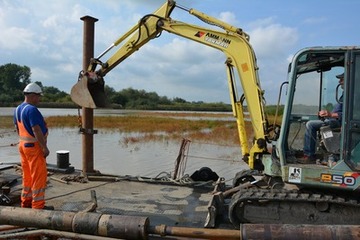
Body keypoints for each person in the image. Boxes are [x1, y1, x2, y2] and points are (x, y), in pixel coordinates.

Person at [13, 83, 53, 210]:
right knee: (38, 177)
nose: (39, 99)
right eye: (38, 96)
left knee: (27, 176)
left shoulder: (18, 109)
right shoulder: (32, 110)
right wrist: (44, 147)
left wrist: (24, 141)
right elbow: (36, 129)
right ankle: (38, 206)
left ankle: (26, 202)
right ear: (32, 95)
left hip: (23, 146)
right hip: (33, 148)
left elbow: (17, 128)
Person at [300, 73, 344, 163]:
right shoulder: (345, 94)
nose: (339, 81)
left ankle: (309, 155)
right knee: (314, 122)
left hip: (341, 122)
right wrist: (325, 114)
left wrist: (331, 115)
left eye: (342, 79)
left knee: (310, 124)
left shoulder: (353, 95)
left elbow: (350, 115)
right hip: (335, 120)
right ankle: (321, 152)